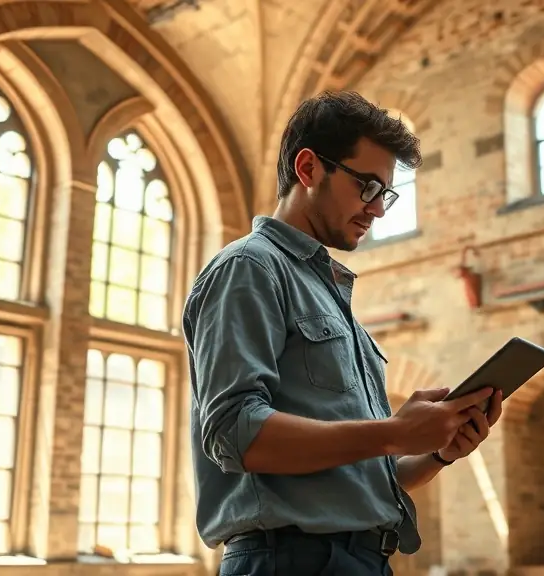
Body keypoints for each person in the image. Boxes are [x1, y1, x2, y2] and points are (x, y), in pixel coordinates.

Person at [182, 90, 504, 576]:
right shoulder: (249, 268)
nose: (377, 209)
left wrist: (437, 452)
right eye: (367, 187)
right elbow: (236, 434)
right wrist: (396, 432)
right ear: (308, 168)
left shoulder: (326, 290)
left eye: (386, 195)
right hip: (288, 562)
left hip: (356, 560)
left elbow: (358, 477)